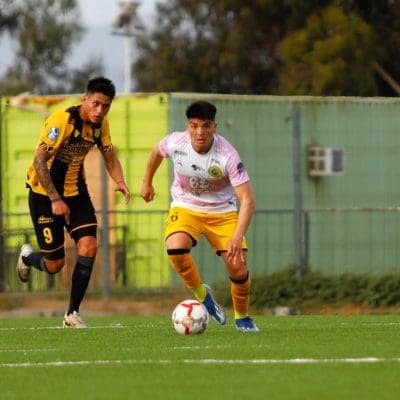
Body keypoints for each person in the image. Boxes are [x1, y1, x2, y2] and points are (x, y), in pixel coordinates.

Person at [16, 77, 131, 328]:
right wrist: (55, 199)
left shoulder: (101, 127)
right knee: (55, 265)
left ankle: (72, 314)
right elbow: (39, 161)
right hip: (43, 194)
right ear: (84, 99)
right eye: (96, 104)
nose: (100, 110)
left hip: (76, 192)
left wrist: (120, 181)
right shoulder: (62, 121)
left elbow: (110, 157)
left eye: (106, 106)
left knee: (89, 246)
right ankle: (27, 257)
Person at [140, 100, 259, 332]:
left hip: (222, 213)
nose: (200, 132)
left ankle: (242, 317)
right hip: (186, 207)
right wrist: (147, 182)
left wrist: (237, 236)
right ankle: (203, 296)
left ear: (215, 127)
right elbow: (156, 152)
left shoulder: (228, 156)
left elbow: (247, 200)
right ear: (188, 126)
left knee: (238, 267)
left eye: (206, 126)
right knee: (175, 249)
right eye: (194, 126)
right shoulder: (175, 142)